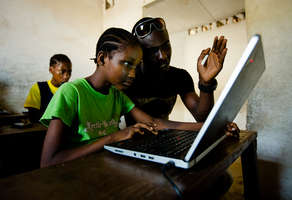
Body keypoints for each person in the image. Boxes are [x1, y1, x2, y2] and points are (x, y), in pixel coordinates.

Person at [39, 28, 238, 168]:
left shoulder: (117, 94)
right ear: (101, 59)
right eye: (127, 64)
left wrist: (212, 127)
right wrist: (114, 137)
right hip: (77, 175)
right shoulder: (71, 92)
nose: (132, 74)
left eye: (135, 66)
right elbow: (48, 162)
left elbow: (154, 123)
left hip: (107, 168)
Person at [124, 17, 227, 125]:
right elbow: (153, 124)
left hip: (168, 138)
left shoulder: (179, 77)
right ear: (139, 54)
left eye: (166, 46)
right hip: (135, 141)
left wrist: (206, 83)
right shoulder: (127, 81)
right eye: (153, 51)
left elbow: (202, 117)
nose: (162, 56)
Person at [24, 54, 72, 122]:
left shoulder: (71, 90)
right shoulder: (39, 88)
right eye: (62, 71)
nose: (66, 76)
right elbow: (33, 116)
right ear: (51, 70)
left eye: (69, 72)